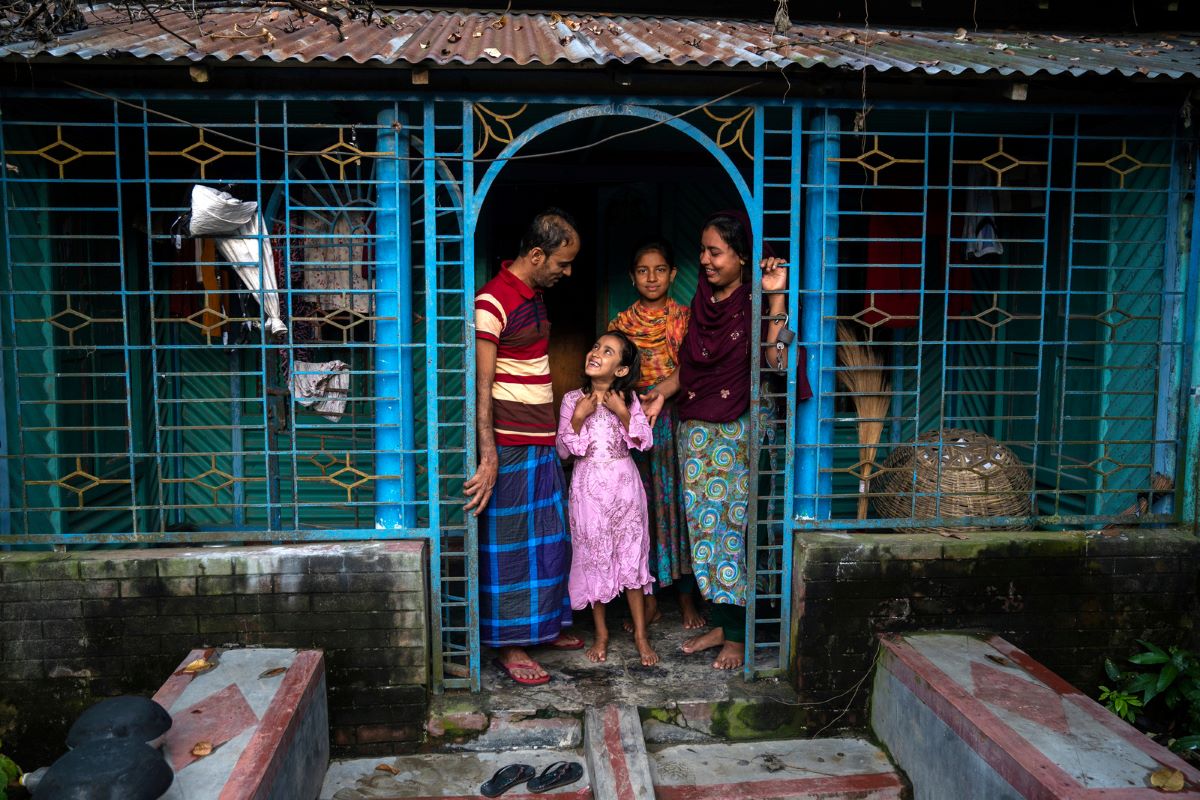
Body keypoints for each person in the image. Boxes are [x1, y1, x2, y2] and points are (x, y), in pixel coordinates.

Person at [641, 210, 800, 671]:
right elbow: (691, 370)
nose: (705, 261)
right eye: (703, 251)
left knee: (733, 531)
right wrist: (659, 398)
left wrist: (775, 300)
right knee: (707, 534)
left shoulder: (755, 301)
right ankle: (724, 622)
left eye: (715, 252)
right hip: (697, 431)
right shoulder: (704, 303)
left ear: (742, 256)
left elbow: (776, 361)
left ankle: (738, 636)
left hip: (739, 429)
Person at [464, 208, 585, 686]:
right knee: (512, 547)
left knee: (551, 540)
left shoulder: (532, 294)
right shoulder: (492, 301)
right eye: (562, 262)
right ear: (536, 255)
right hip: (511, 443)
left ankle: (541, 627)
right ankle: (512, 645)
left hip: (541, 439)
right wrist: (489, 453)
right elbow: (483, 382)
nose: (567, 271)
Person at [608, 241, 705, 631]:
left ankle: (685, 598)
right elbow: (613, 374)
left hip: (676, 420)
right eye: (643, 270)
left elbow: (694, 371)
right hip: (630, 422)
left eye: (660, 269)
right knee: (639, 510)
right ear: (632, 276)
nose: (652, 277)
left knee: (676, 508)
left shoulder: (686, 319)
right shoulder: (621, 325)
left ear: (673, 274)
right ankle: (646, 601)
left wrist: (662, 397)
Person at [556, 331, 658, 666]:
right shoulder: (573, 399)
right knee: (593, 555)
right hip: (588, 489)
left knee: (631, 555)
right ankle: (601, 634)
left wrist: (623, 412)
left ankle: (641, 637)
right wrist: (579, 417)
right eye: (596, 346)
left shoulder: (628, 400)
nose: (596, 352)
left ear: (621, 370)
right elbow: (562, 450)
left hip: (624, 486)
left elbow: (645, 441)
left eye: (608, 351)